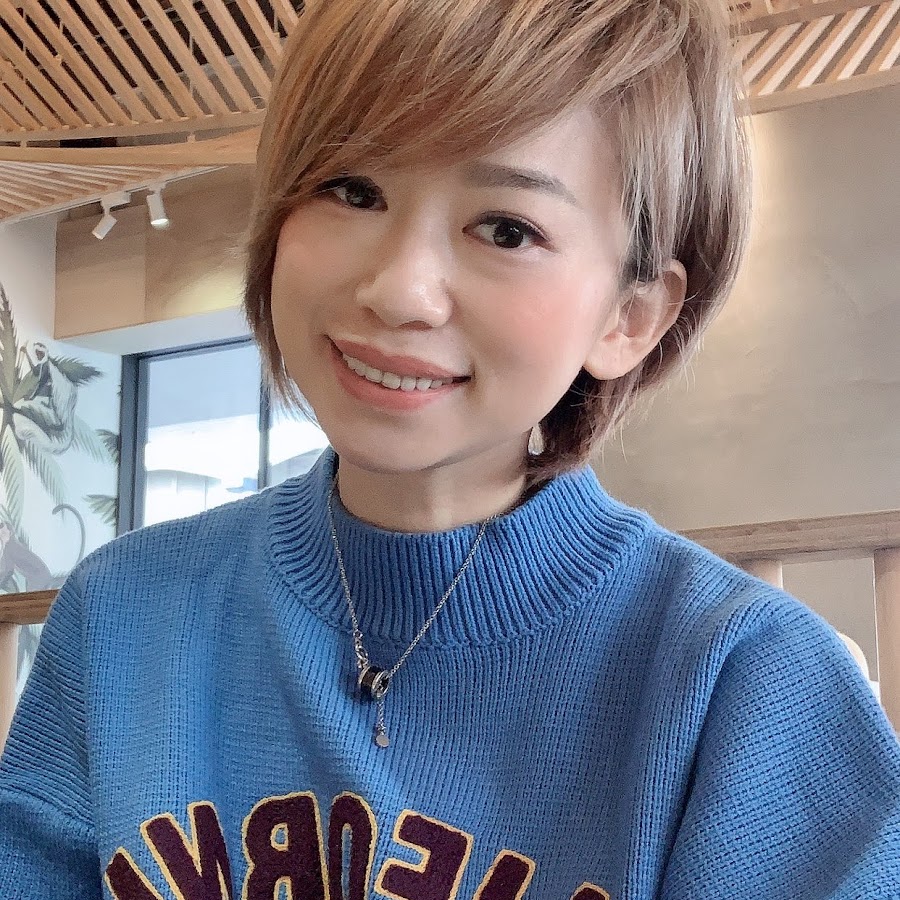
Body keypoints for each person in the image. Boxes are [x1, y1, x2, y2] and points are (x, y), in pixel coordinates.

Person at [2, 0, 899, 896]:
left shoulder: (745, 684)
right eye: (352, 189)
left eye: (507, 229)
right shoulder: (122, 617)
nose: (399, 291)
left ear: (630, 315)